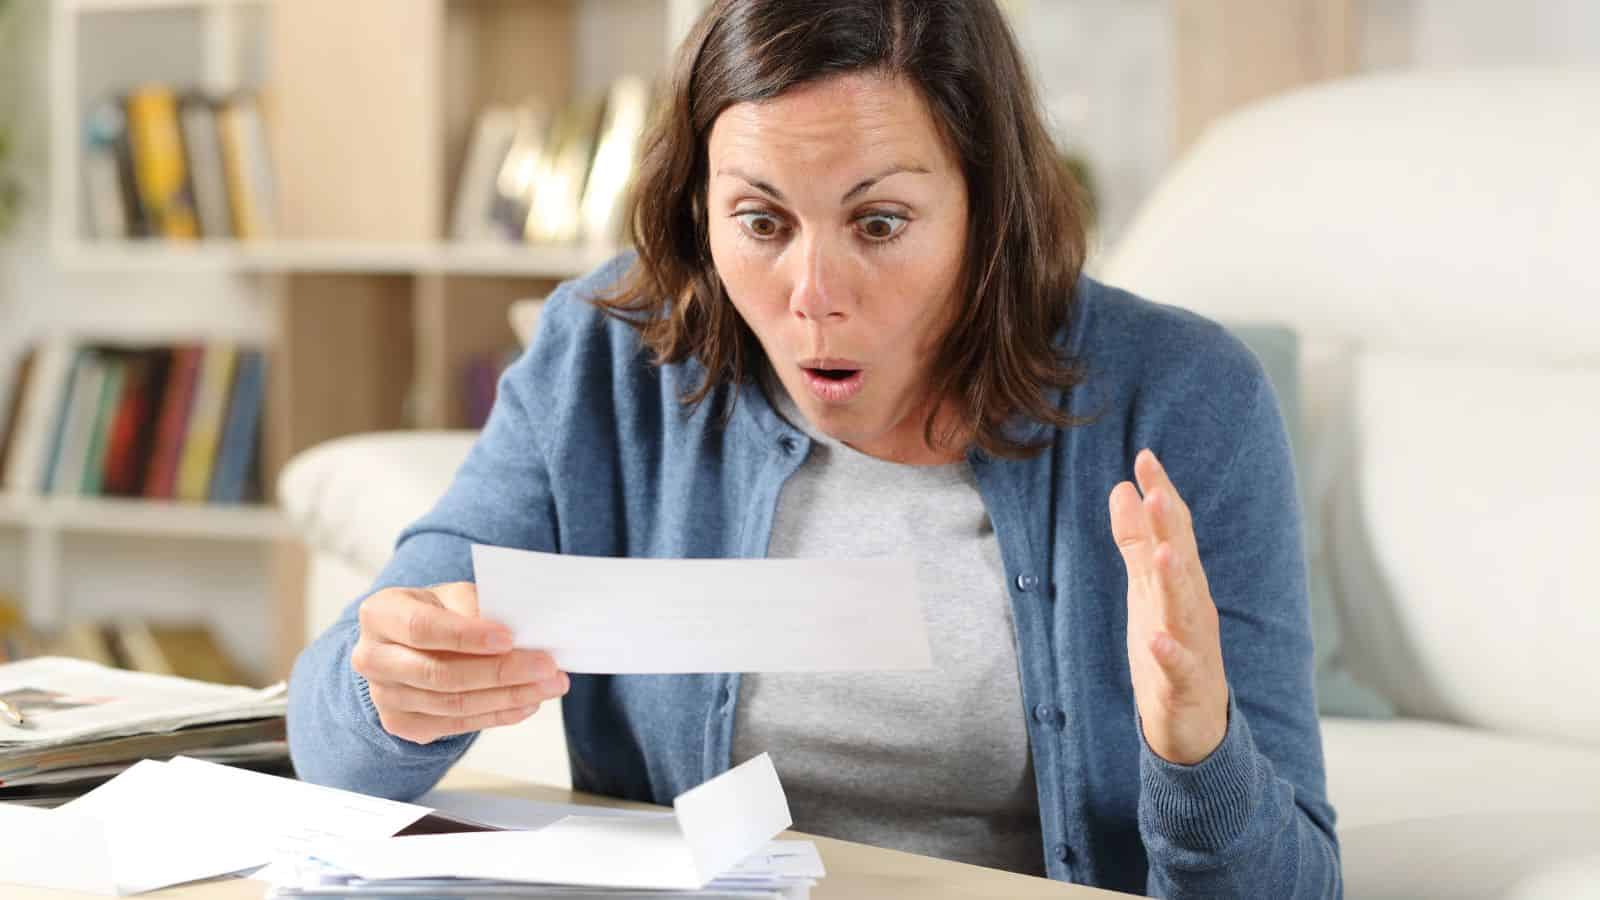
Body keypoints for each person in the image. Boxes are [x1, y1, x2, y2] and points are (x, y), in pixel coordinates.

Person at [288, 0, 1341, 895]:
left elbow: (1296, 885)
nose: (812, 299)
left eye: (879, 223)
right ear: (696, 207)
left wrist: (1197, 752)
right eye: (760, 221)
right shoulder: (605, 358)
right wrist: (395, 689)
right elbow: (329, 742)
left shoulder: (1183, 396)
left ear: (987, 211)